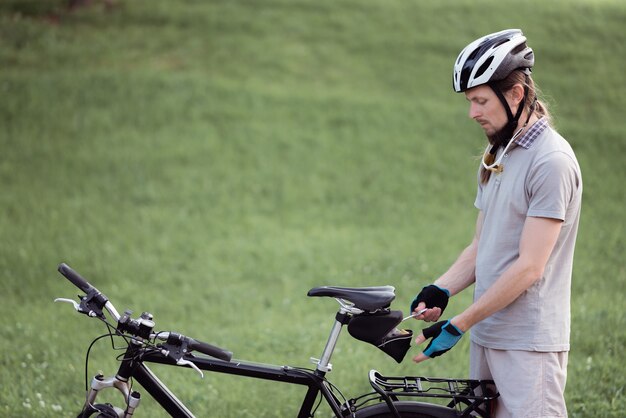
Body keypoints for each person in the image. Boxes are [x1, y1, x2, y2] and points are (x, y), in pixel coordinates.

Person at [408, 29, 582, 417]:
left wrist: (459, 324)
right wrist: (440, 290)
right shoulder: (498, 153)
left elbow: (530, 267)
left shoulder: (550, 162)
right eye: (471, 101)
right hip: (488, 333)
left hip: (527, 343)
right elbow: (480, 246)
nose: (473, 112)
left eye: (481, 101)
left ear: (516, 94)